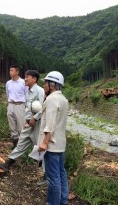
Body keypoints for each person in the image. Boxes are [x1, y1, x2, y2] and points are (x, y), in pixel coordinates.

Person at [0, 70, 44, 172]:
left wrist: (35, 118)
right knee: (20, 144)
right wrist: (27, 121)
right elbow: (28, 108)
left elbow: (43, 108)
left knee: (40, 147)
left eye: (28, 77)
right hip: (29, 124)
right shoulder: (28, 91)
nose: (25, 79)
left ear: (34, 79)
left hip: (37, 124)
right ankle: (7, 165)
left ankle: (46, 173)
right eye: (25, 77)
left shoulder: (39, 91)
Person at [37, 71, 69, 205]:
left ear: (52, 84)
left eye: (45, 82)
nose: (43, 85)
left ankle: (53, 203)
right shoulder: (63, 99)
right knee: (61, 174)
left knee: (53, 178)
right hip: (60, 144)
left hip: (51, 145)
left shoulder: (51, 99)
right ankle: (63, 200)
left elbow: (50, 124)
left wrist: (44, 142)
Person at [6, 65, 27, 148]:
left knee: (21, 126)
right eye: (10, 70)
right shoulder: (8, 83)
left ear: (17, 72)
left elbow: (26, 94)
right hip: (11, 104)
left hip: (20, 105)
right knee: (12, 126)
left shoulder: (23, 82)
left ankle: (22, 146)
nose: (10, 72)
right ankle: (15, 144)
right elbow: (8, 94)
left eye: (12, 70)